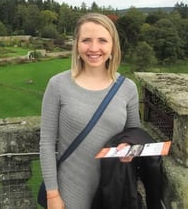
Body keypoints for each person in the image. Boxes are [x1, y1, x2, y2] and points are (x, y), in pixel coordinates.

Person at [39, 13, 141, 209]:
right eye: (86, 40)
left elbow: (134, 134)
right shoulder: (58, 85)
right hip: (70, 193)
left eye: (102, 40)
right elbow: (46, 143)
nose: (94, 48)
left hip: (111, 192)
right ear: (77, 45)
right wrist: (52, 194)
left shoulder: (127, 88)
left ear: (113, 46)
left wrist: (129, 149)